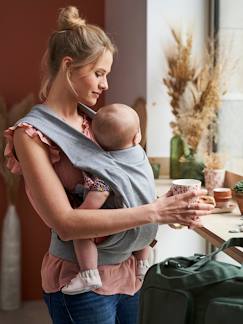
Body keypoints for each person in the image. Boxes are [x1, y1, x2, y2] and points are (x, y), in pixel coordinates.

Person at [4, 6, 213, 324]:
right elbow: (65, 223)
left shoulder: (95, 123)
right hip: (81, 281)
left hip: (128, 271)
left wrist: (171, 208)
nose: (105, 85)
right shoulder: (30, 135)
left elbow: (118, 194)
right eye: (99, 73)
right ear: (69, 66)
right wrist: (156, 212)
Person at [61, 103, 151, 295]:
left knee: (81, 232)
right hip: (149, 231)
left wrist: (77, 216)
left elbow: (96, 200)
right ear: (137, 137)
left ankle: (89, 274)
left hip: (127, 230)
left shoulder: (105, 169)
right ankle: (143, 264)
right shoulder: (141, 157)